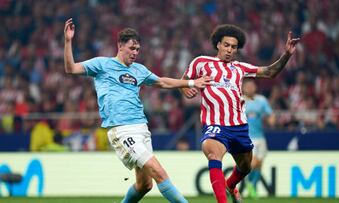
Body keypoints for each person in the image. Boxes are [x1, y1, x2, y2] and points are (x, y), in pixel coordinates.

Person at [63, 18, 211, 203]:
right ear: (120, 46)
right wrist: (68, 41)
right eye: (132, 48)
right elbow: (71, 68)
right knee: (159, 171)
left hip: (141, 128)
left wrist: (190, 82)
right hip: (122, 129)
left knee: (144, 185)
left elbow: (162, 81)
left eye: (137, 50)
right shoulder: (102, 64)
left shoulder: (139, 70)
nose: (135, 53)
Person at [181, 24, 299, 203]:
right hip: (215, 124)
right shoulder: (201, 62)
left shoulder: (240, 67)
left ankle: (230, 185)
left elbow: (269, 72)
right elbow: (184, 80)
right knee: (213, 154)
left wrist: (287, 55)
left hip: (239, 126)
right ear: (218, 44)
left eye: (233, 47)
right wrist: (185, 89)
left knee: (245, 167)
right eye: (226, 45)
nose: (229, 50)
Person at [243, 79, 275, 199]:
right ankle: (248, 182)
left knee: (260, 163)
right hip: (248, 137)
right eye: (248, 86)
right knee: (254, 161)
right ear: (243, 88)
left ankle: (253, 186)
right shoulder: (240, 101)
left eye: (252, 85)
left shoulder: (261, 100)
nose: (250, 88)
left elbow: (270, 114)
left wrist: (271, 119)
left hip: (260, 136)